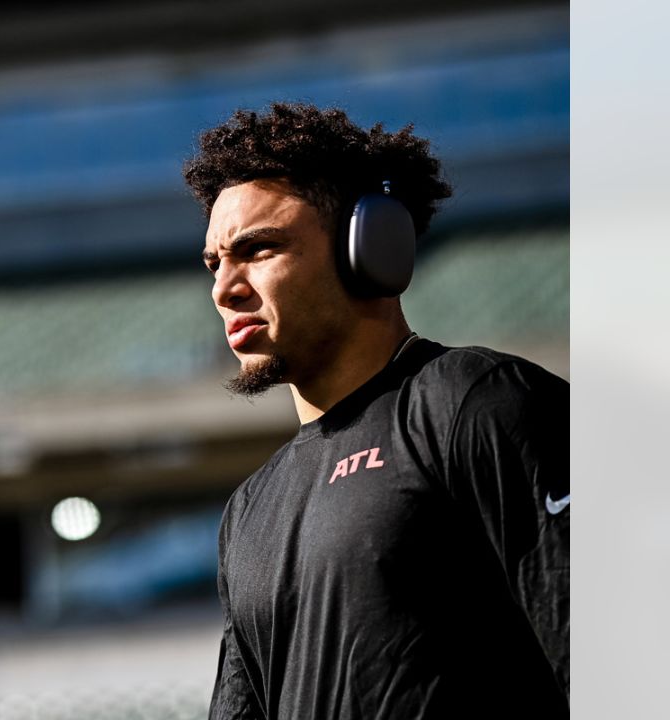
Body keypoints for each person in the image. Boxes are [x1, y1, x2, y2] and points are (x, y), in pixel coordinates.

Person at [183, 103, 568, 718]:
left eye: (257, 250)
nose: (223, 288)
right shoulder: (249, 509)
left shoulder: (474, 401)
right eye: (214, 262)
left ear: (370, 248)